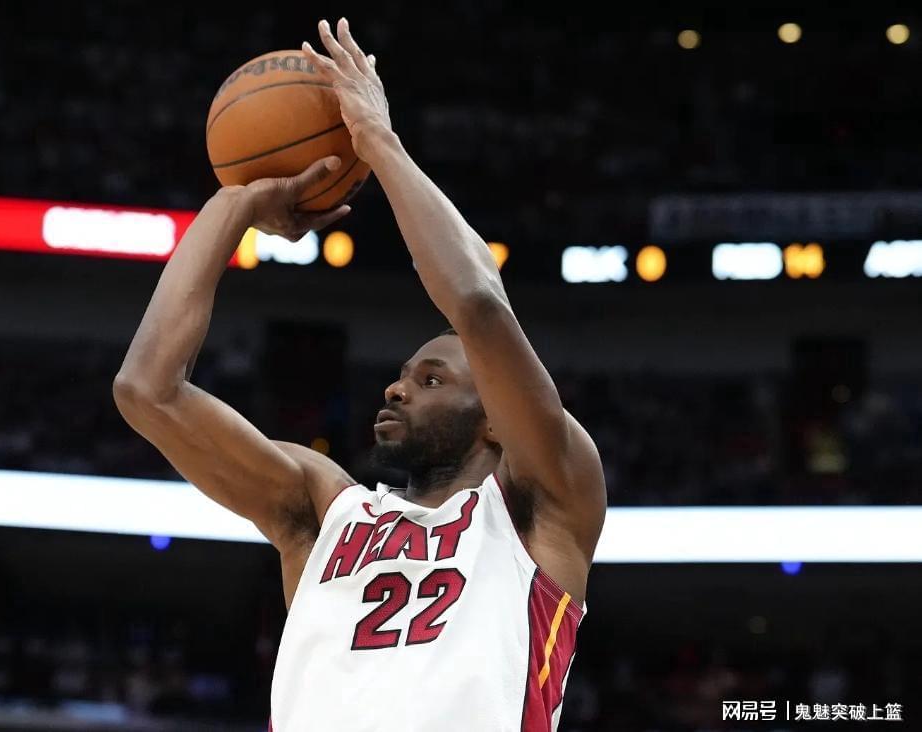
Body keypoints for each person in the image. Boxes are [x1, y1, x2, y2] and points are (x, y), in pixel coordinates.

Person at [113, 18, 607, 731]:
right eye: (403, 375)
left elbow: (476, 303)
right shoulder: (323, 511)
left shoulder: (542, 506)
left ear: (497, 418)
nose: (396, 387)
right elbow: (147, 391)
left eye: (432, 380)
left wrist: (377, 140)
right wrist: (235, 204)